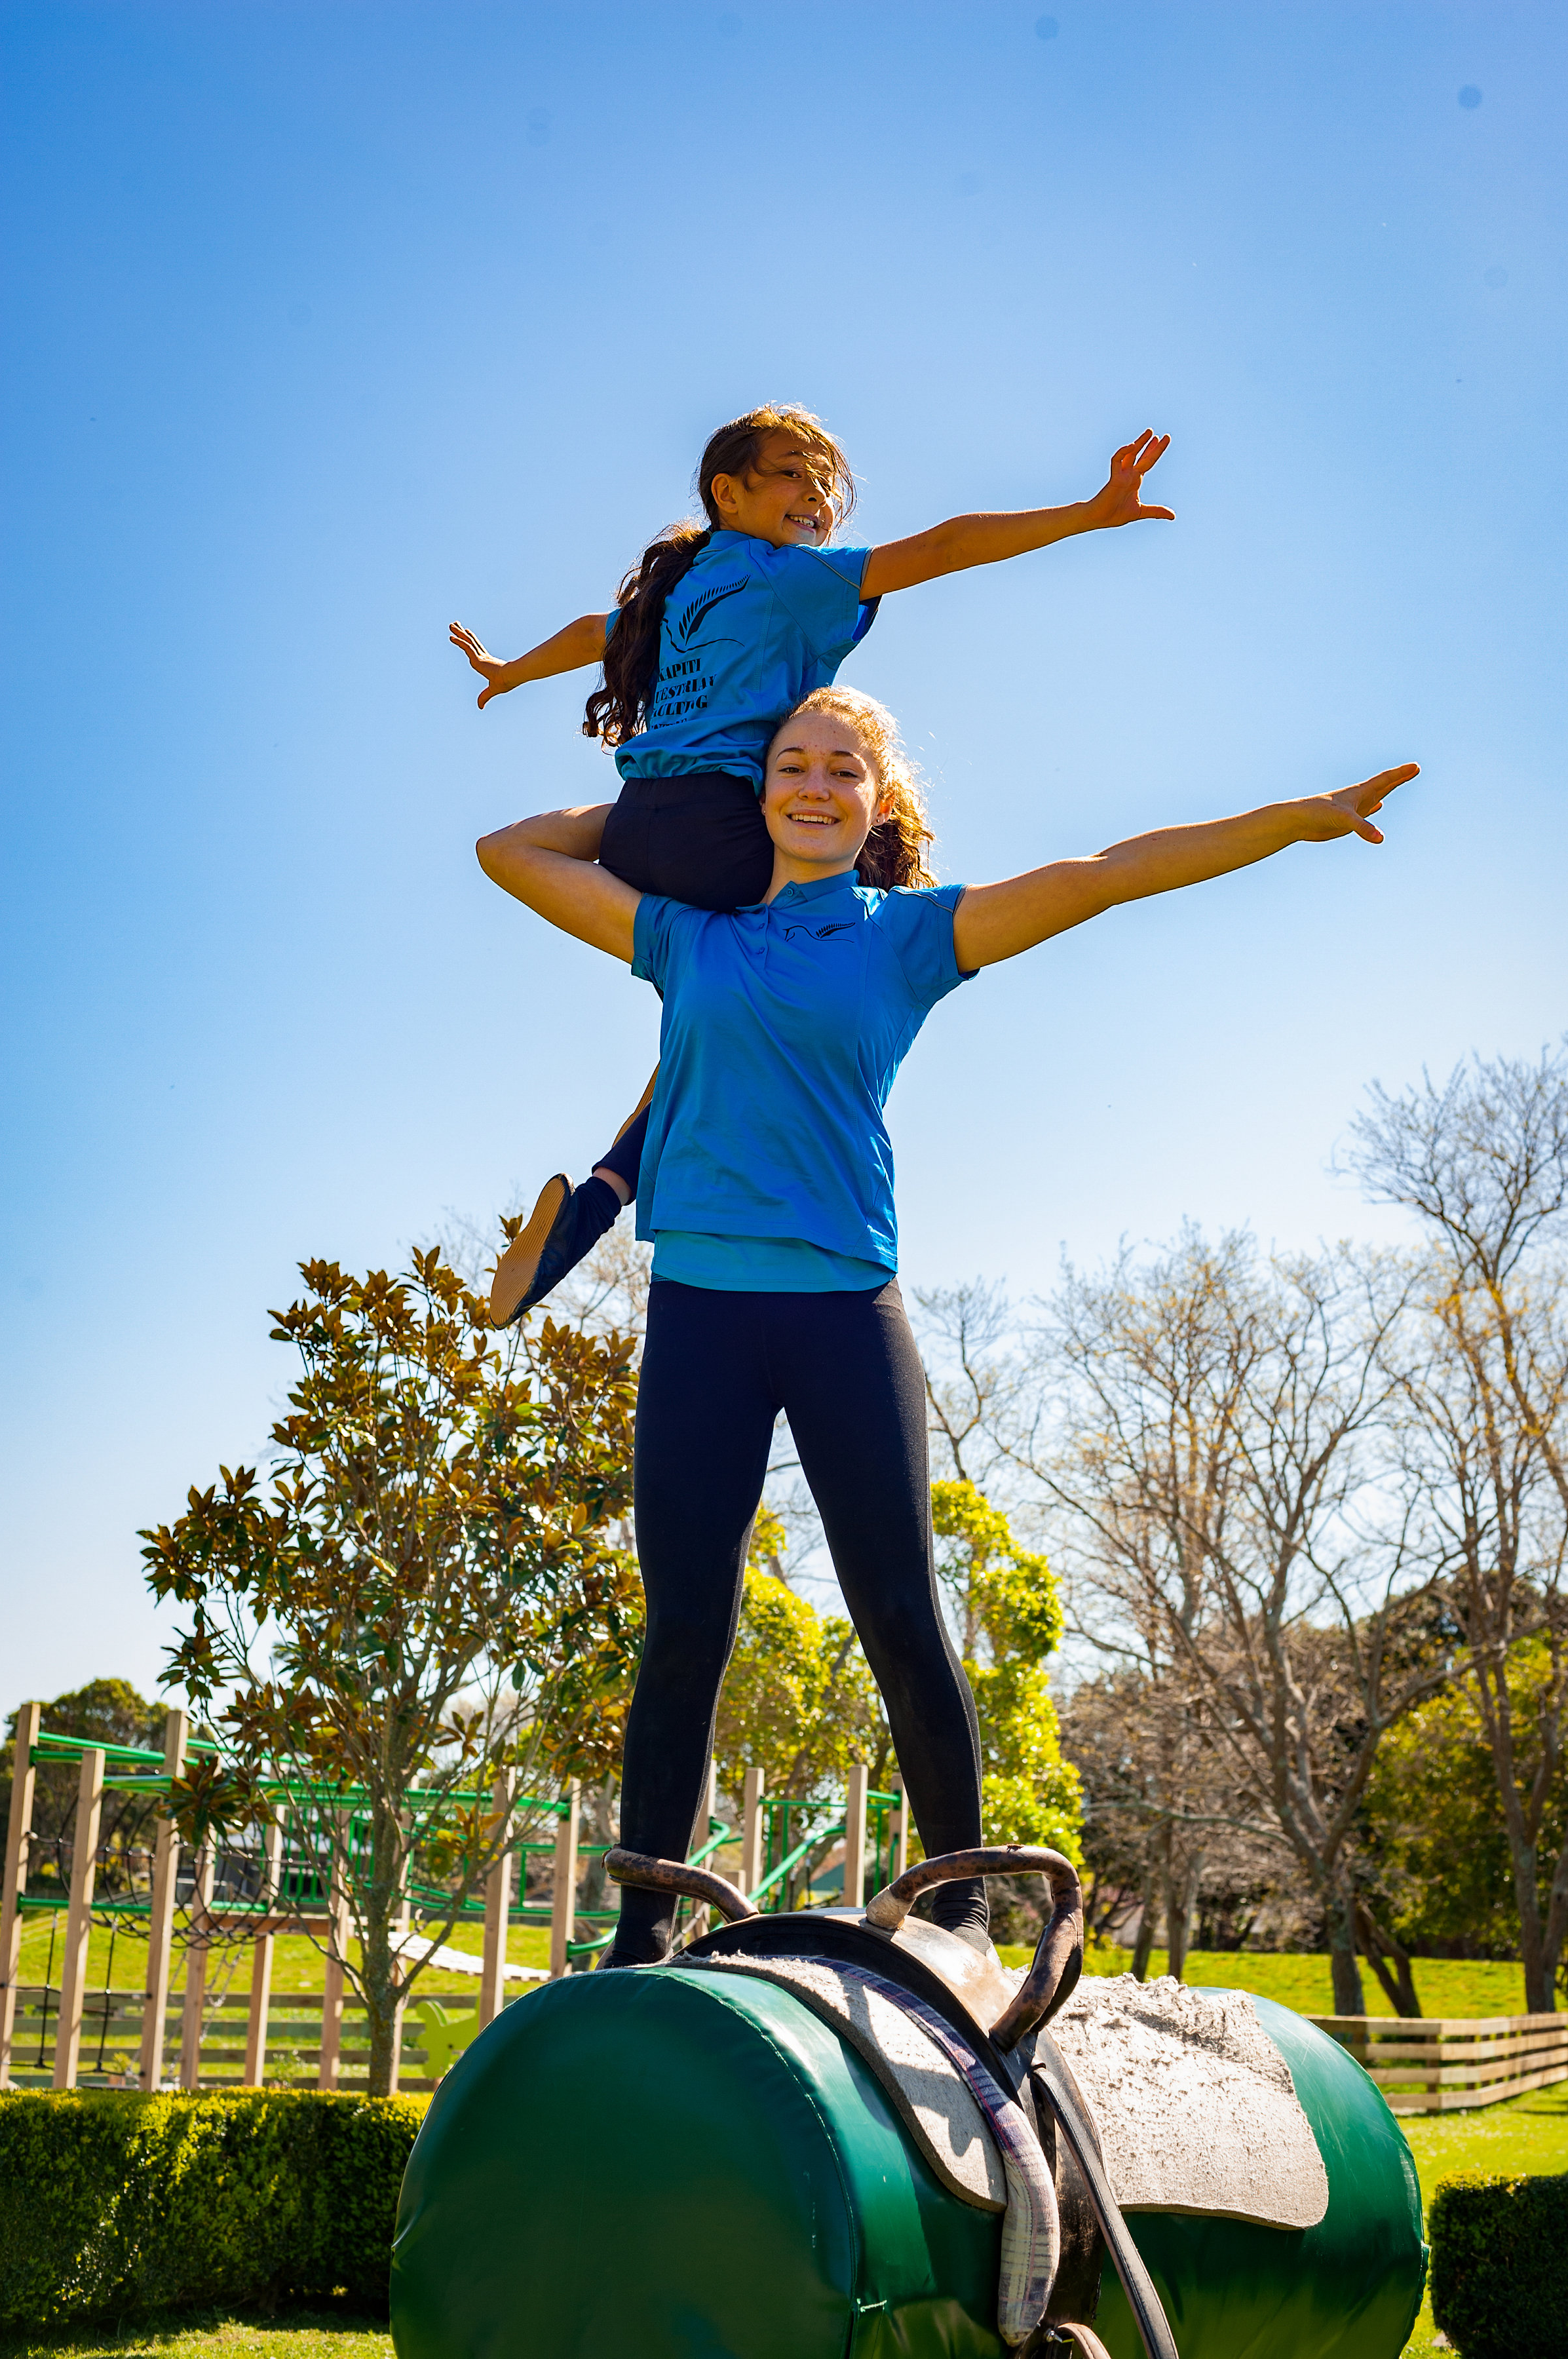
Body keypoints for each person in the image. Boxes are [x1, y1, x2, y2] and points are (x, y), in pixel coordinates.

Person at [475, 681, 1417, 1965]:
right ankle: (644, 1922)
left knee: (899, 1608)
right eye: (790, 764)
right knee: (685, 1618)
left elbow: (1107, 873)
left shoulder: (908, 937)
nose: (813, 784)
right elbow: (508, 853)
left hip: (843, 1310)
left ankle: (961, 1907)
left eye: (842, 768)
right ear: (759, 794)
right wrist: (667, 800)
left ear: (876, 803)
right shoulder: (682, 939)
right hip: (700, 1307)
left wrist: (1298, 819)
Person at [451, 402, 1173, 1322]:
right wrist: (1082, 514)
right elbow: (946, 547)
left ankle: (597, 1199)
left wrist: (512, 672)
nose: (817, 494)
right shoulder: (790, 577)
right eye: (792, 472)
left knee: (708, 1019)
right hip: (724, 833)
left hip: (637, 830)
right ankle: (616, 1199)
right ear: (729, 492)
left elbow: (598, 630)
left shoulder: (678, 587)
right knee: (824, 959)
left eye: (827, 481)